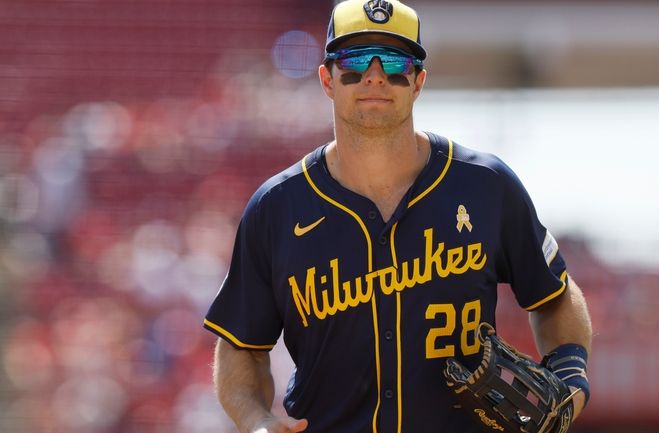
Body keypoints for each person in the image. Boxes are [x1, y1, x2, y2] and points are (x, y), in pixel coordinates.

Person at [203, 1, 593, 432]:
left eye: (393, 62)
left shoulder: (485, 184)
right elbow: (241, 345)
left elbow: (553, 294)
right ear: (326, 79)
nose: (374, 76)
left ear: (418, 81)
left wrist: (570, 372)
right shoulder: (276, 208)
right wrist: (257, 421)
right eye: (353, 61)